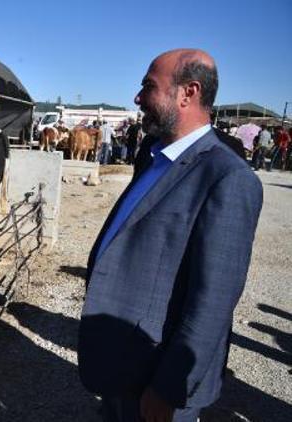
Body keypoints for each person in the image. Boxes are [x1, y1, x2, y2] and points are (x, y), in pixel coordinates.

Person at [78, 49, 263, 422]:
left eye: (148, 86)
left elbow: (212, 301)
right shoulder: (153, 153)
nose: (137, 98)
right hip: (122, 363)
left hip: (156, 377)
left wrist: (168, 387)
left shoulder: (228, 178)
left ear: (187, 93)